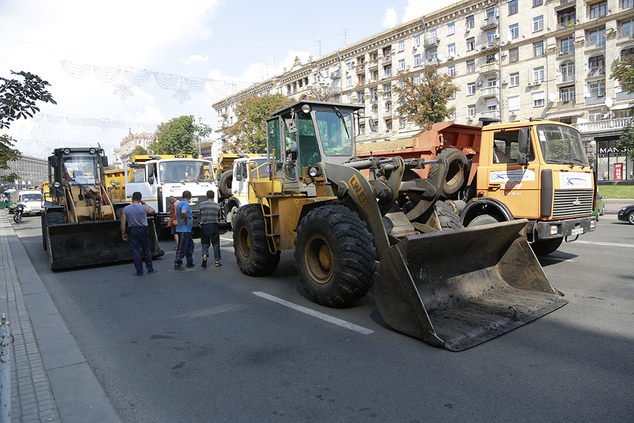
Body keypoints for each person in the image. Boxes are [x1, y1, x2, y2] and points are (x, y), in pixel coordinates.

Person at [121, 191, 156, 276]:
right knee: (146, 250)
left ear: (132, 198)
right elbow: (153, 211)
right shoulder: (143, 207)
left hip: (132, 230)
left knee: (136, 251)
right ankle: (150, 269)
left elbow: (122, 223)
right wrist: (145, 204)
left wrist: (123, 233)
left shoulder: (126, 209)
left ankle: (139, 271)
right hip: (143, 229)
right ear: (140, 199)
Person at [199, 190, 222, 268]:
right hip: (214, 225)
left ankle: (204, 256)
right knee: (215, 244)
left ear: (206, 196)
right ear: (214, 196)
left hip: (204, 226)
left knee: (205, 243)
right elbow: (219, 216)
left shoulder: (201, 205)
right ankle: (217, 261)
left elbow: (200, 215)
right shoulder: (217, 205)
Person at [174, 190, 194, 270]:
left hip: (186, 229)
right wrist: (185, 219)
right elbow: (183, 212)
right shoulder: (185, 203)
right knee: (182, 247)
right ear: (190, 197)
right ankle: (177, 264)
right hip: (184, 229)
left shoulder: (179, 203)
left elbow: (176, 214)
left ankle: (190, 262)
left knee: (190, 245)